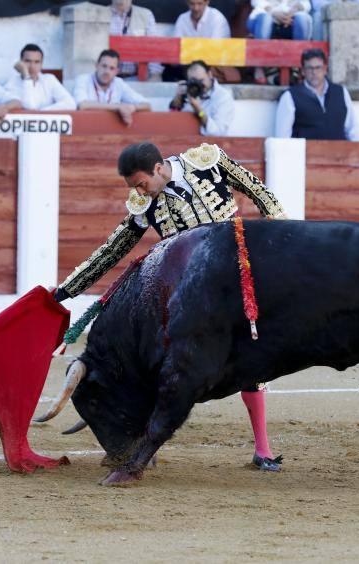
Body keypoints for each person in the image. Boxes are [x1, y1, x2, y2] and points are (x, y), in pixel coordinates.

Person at [54, 141, 287, 472]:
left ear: (159, 168)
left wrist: (280, 230)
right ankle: (141, 440)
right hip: (192, 298)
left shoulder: (208, 162)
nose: (140, 192)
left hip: (236, 282)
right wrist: (65, 291)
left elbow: (258, 190)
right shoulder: (143, 204)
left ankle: (263, 450)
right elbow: (112, 250)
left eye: (141, 183)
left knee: (251, 359)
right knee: (157, 357)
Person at [275, 48, 354, 140]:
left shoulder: (341, 93)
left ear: (325, 69)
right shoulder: (290, 96)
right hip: (306, 153)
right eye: (310, 68)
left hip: (338, 153)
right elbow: (282, 137)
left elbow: (352, 129)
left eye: (318, 68)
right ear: (303, 71)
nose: (314, 72)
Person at [73, 49, 151, 127]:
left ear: (116, 71)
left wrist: (132, 107)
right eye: (104, 66)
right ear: (96, 66)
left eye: (112, 68)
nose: (107, 71)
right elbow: (82, 105)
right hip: (87, 127)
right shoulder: (83, 79)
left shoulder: (119, 83)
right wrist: (118, 107)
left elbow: (147, 105)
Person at [165, 0, 236, 83]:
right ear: (187, 3)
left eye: (199, 4)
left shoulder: (217, 18)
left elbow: (214, 51)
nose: (196, 8)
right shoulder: (182, 18)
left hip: (212, 66)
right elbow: (177, 48)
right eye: (192, 4)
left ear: (207, 2)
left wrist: (189, 50)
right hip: (187, 66)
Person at [248, 0, 313, 83]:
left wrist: (293, 11)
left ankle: (300, 66)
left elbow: (306, 4)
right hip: (265, 16)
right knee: (266, 19)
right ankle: (259, 66)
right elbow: (256, 2)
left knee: (302, 19)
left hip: (290, 19)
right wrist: (273, 12)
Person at [168, 60, 235, 136]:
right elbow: (172, 124)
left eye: (201, 80)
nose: (198, 85)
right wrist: (177, 99)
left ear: (210, 75)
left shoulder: (222, 96)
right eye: (194, 81)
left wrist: (199, 110)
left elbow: (218, 132)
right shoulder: (188, 91)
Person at [4, 43, 76, 111]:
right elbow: (30, 107)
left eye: (37, 62)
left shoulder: (49, 80)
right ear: (20, 62)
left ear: (41, 64)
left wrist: (43, 111)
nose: (32, 66)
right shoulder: (12, 83)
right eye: (28, 61)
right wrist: (26, 77)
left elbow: (70, 104)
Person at [109, 0, 163, 80]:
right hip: (106, 78)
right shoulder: (97, 14)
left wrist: (155, 75)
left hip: (135, 78)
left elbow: (154, 49)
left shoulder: (146, 15)